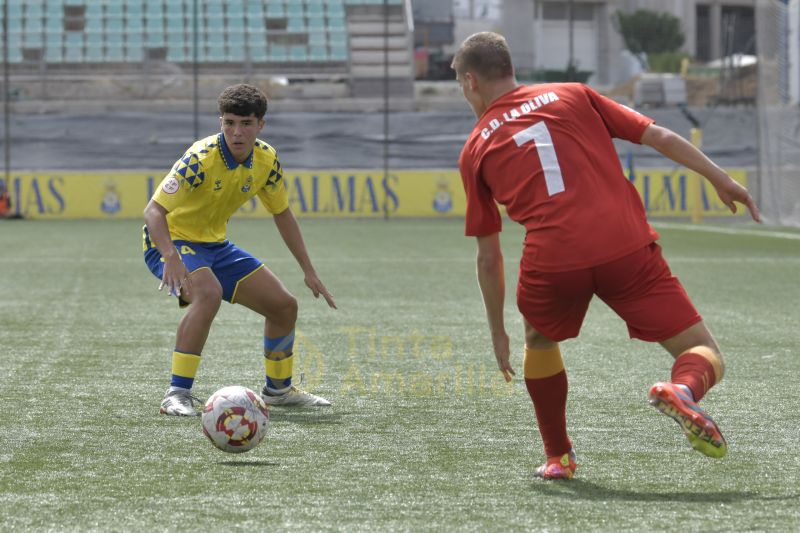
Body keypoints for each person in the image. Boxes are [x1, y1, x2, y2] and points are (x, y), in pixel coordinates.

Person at [452, 32, 760, 480]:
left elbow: (487, 256)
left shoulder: (475, 147)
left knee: (539, 341)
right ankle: (683, 389)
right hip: (624, 244)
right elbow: (658, 134)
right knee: (703, 351)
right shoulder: (574, 93)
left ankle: (559, 457)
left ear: (471, 81)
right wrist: (720, 178)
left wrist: (497, 330)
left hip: (554, 259)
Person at [143, 83, 337, 416]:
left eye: (246, 123)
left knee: (284, 306)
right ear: (220, 122)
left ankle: (278, 391)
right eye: (229, 123)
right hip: (171, 241)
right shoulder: (200, 158)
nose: (237, 132)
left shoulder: (266, 159)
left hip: (215, 245)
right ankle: (176, 394)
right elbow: (153, 212)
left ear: (260, 125)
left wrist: (308, 270)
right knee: (208, 294)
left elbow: (282, 213)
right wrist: (170, 257)